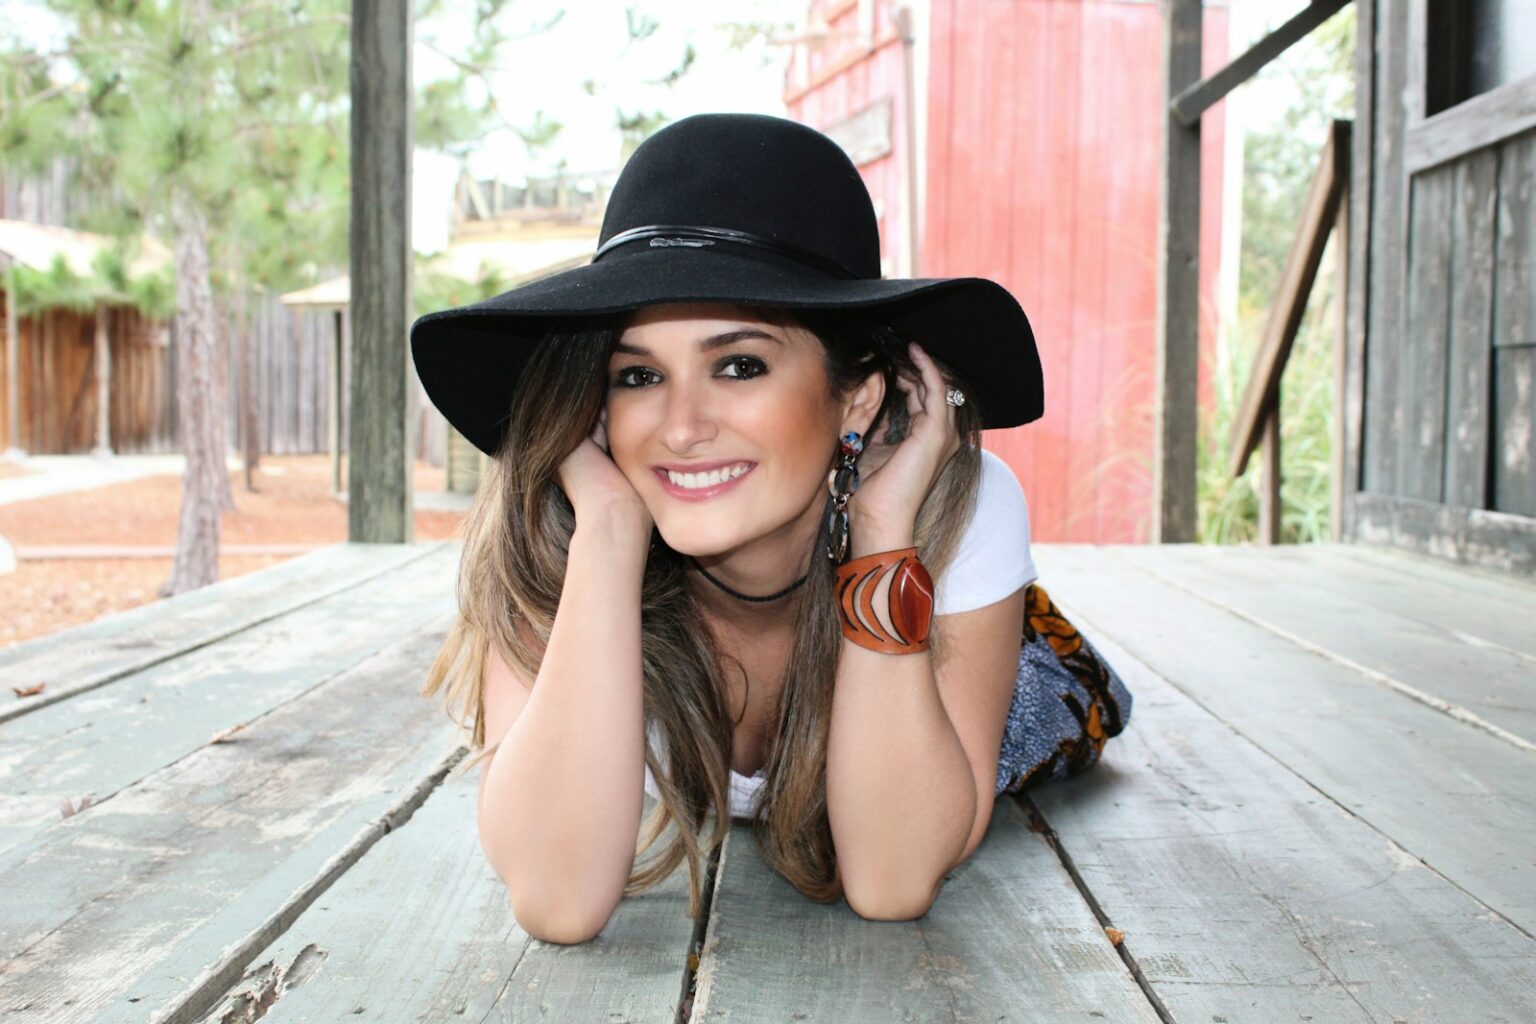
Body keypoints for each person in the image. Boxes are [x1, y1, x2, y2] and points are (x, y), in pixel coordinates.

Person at [412, 113, 1132, 944]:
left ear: (857, 397)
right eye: (639, 375)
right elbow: (556, 899)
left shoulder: (952, 507)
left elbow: (893, 877)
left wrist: (884, 530)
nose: (680, 427)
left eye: (739, 365)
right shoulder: (560, 522)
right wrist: (608, 534)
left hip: (990, 680)